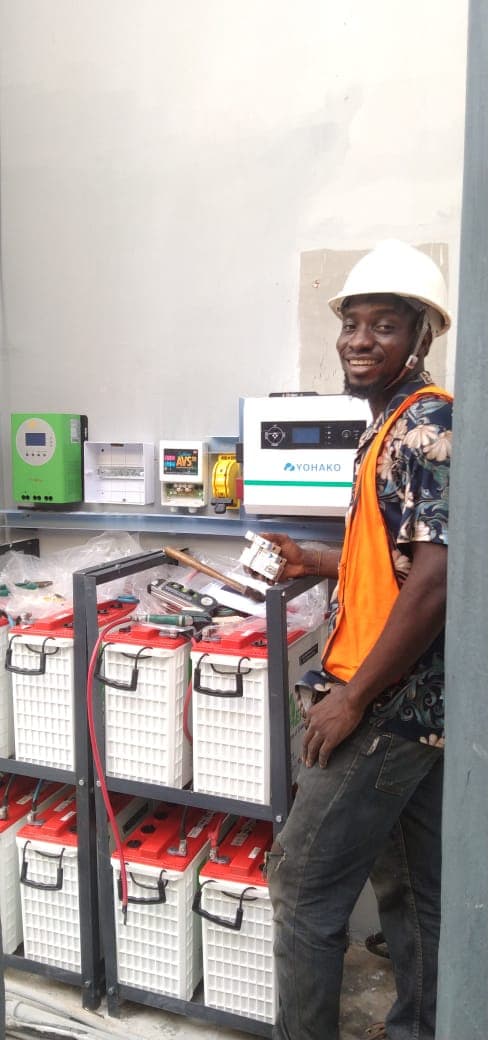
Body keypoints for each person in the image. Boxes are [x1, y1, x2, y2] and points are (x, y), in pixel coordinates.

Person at [265, 240, 453, 1040]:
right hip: (416, 709)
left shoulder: (429, 424)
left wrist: (351, 700)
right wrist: (317, 561)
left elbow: (439, 578)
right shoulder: (391, 426)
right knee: (413, 888)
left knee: (300, 889)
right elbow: (401, 555)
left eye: (384, 325)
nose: (359, 340)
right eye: (352, 323)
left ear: (421, 337)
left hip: (385, 706)